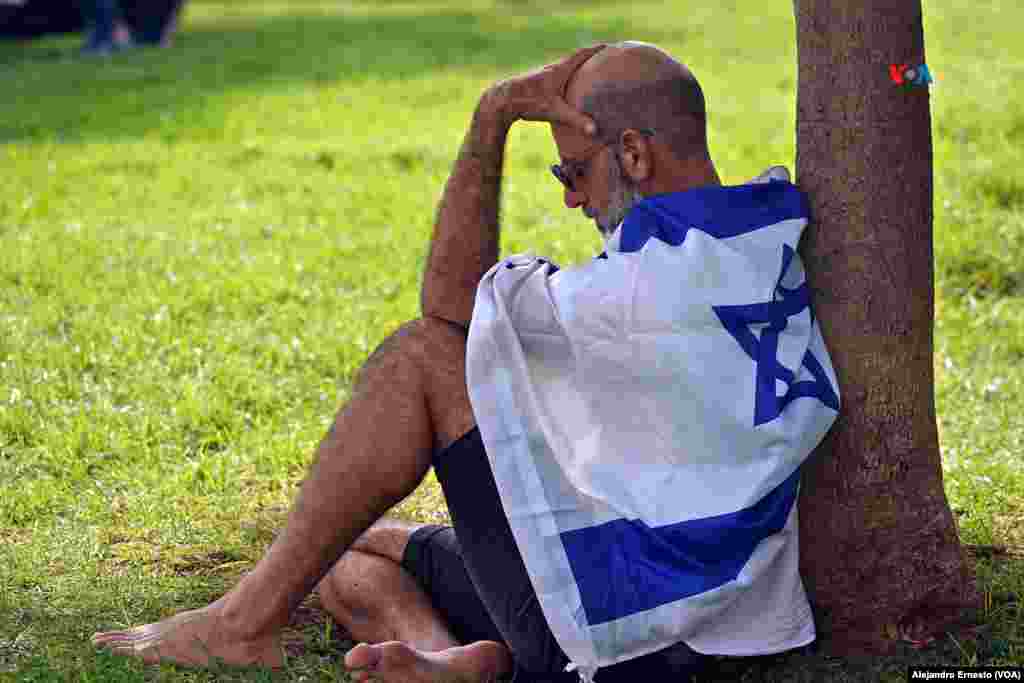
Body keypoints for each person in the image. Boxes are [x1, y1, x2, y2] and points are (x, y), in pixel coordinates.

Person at [92, 41, 831, 682]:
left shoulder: (640, 288)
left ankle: (239, 624)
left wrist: (494, 115)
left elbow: (449, 313)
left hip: (623, 625)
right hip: (731, 612)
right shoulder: (764, 229)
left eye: (572, 173)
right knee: (345, 556)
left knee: (420, 356)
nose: (574, 201)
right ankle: (455, 659)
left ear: (633, 153)